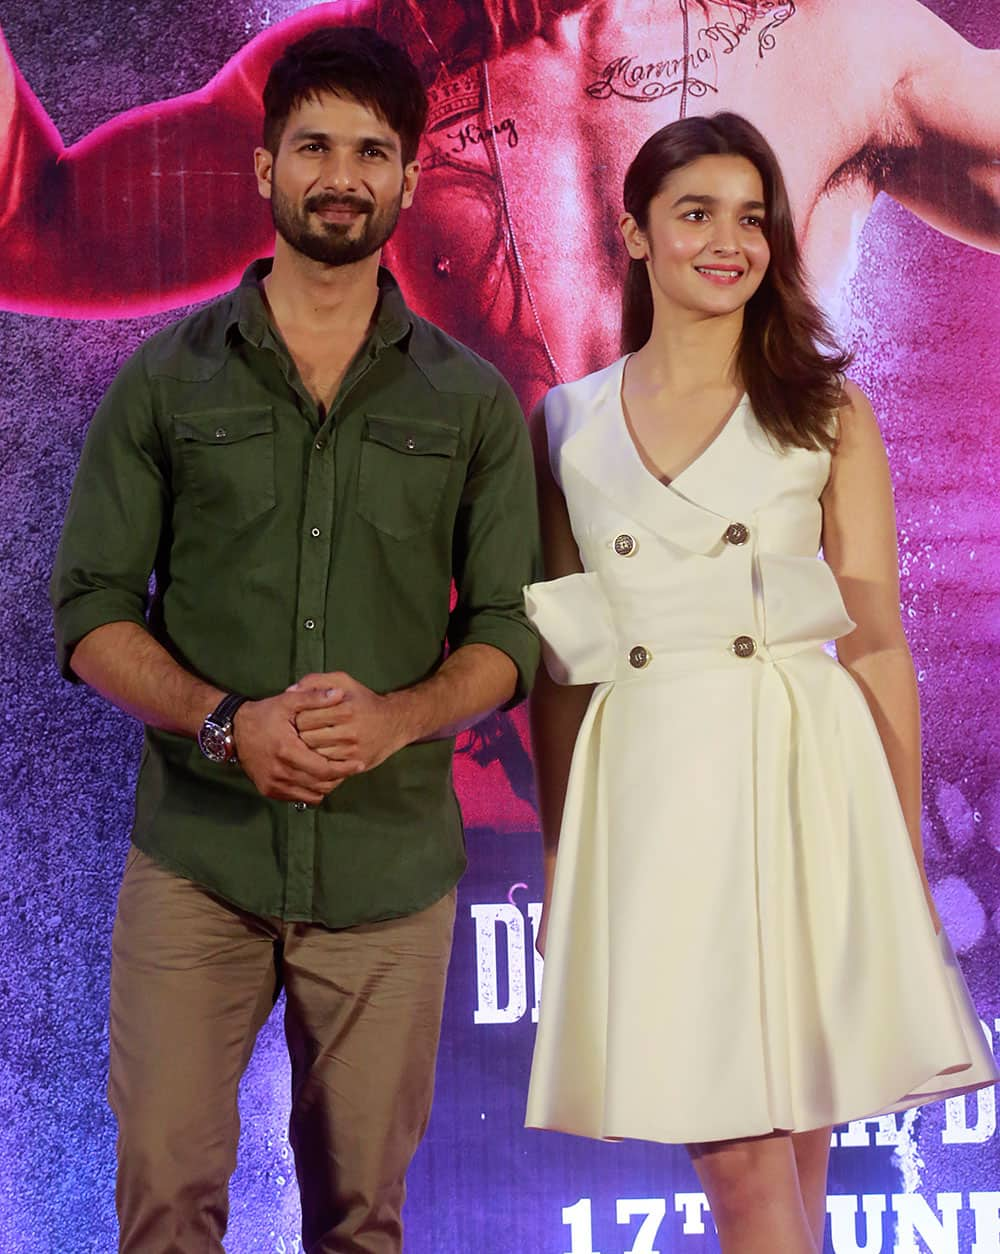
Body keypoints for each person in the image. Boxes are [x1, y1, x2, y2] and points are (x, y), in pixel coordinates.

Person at [50, 26, 540, 1254]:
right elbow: (92, 613)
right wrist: (227, 722)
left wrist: (398, 719)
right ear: (261, 168)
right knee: (164, 1202)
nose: (340, 173)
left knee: (360, 1221)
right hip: (198, 864)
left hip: (387, 878)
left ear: (409, 180)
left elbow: (506, 636)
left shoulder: (469, 401)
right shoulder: (166, 383)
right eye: (311, 145)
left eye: (370, 150)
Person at [522, 111, 998, 1254]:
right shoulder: (566, 424)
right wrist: (556, 856)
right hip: (652, 791)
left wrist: (889, 839)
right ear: (635, 234)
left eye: (751, 218)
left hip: (804, 775)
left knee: (795, 1167)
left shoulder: (826, 411)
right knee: (740, 1164)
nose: (727, 242)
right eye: (695, 214)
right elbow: (563, 661)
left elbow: (876, 638)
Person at [1, 0, 998, 406]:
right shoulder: (354, 80)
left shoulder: (837, 40)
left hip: (733, 746)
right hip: (472, 776)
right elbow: (33, 234)